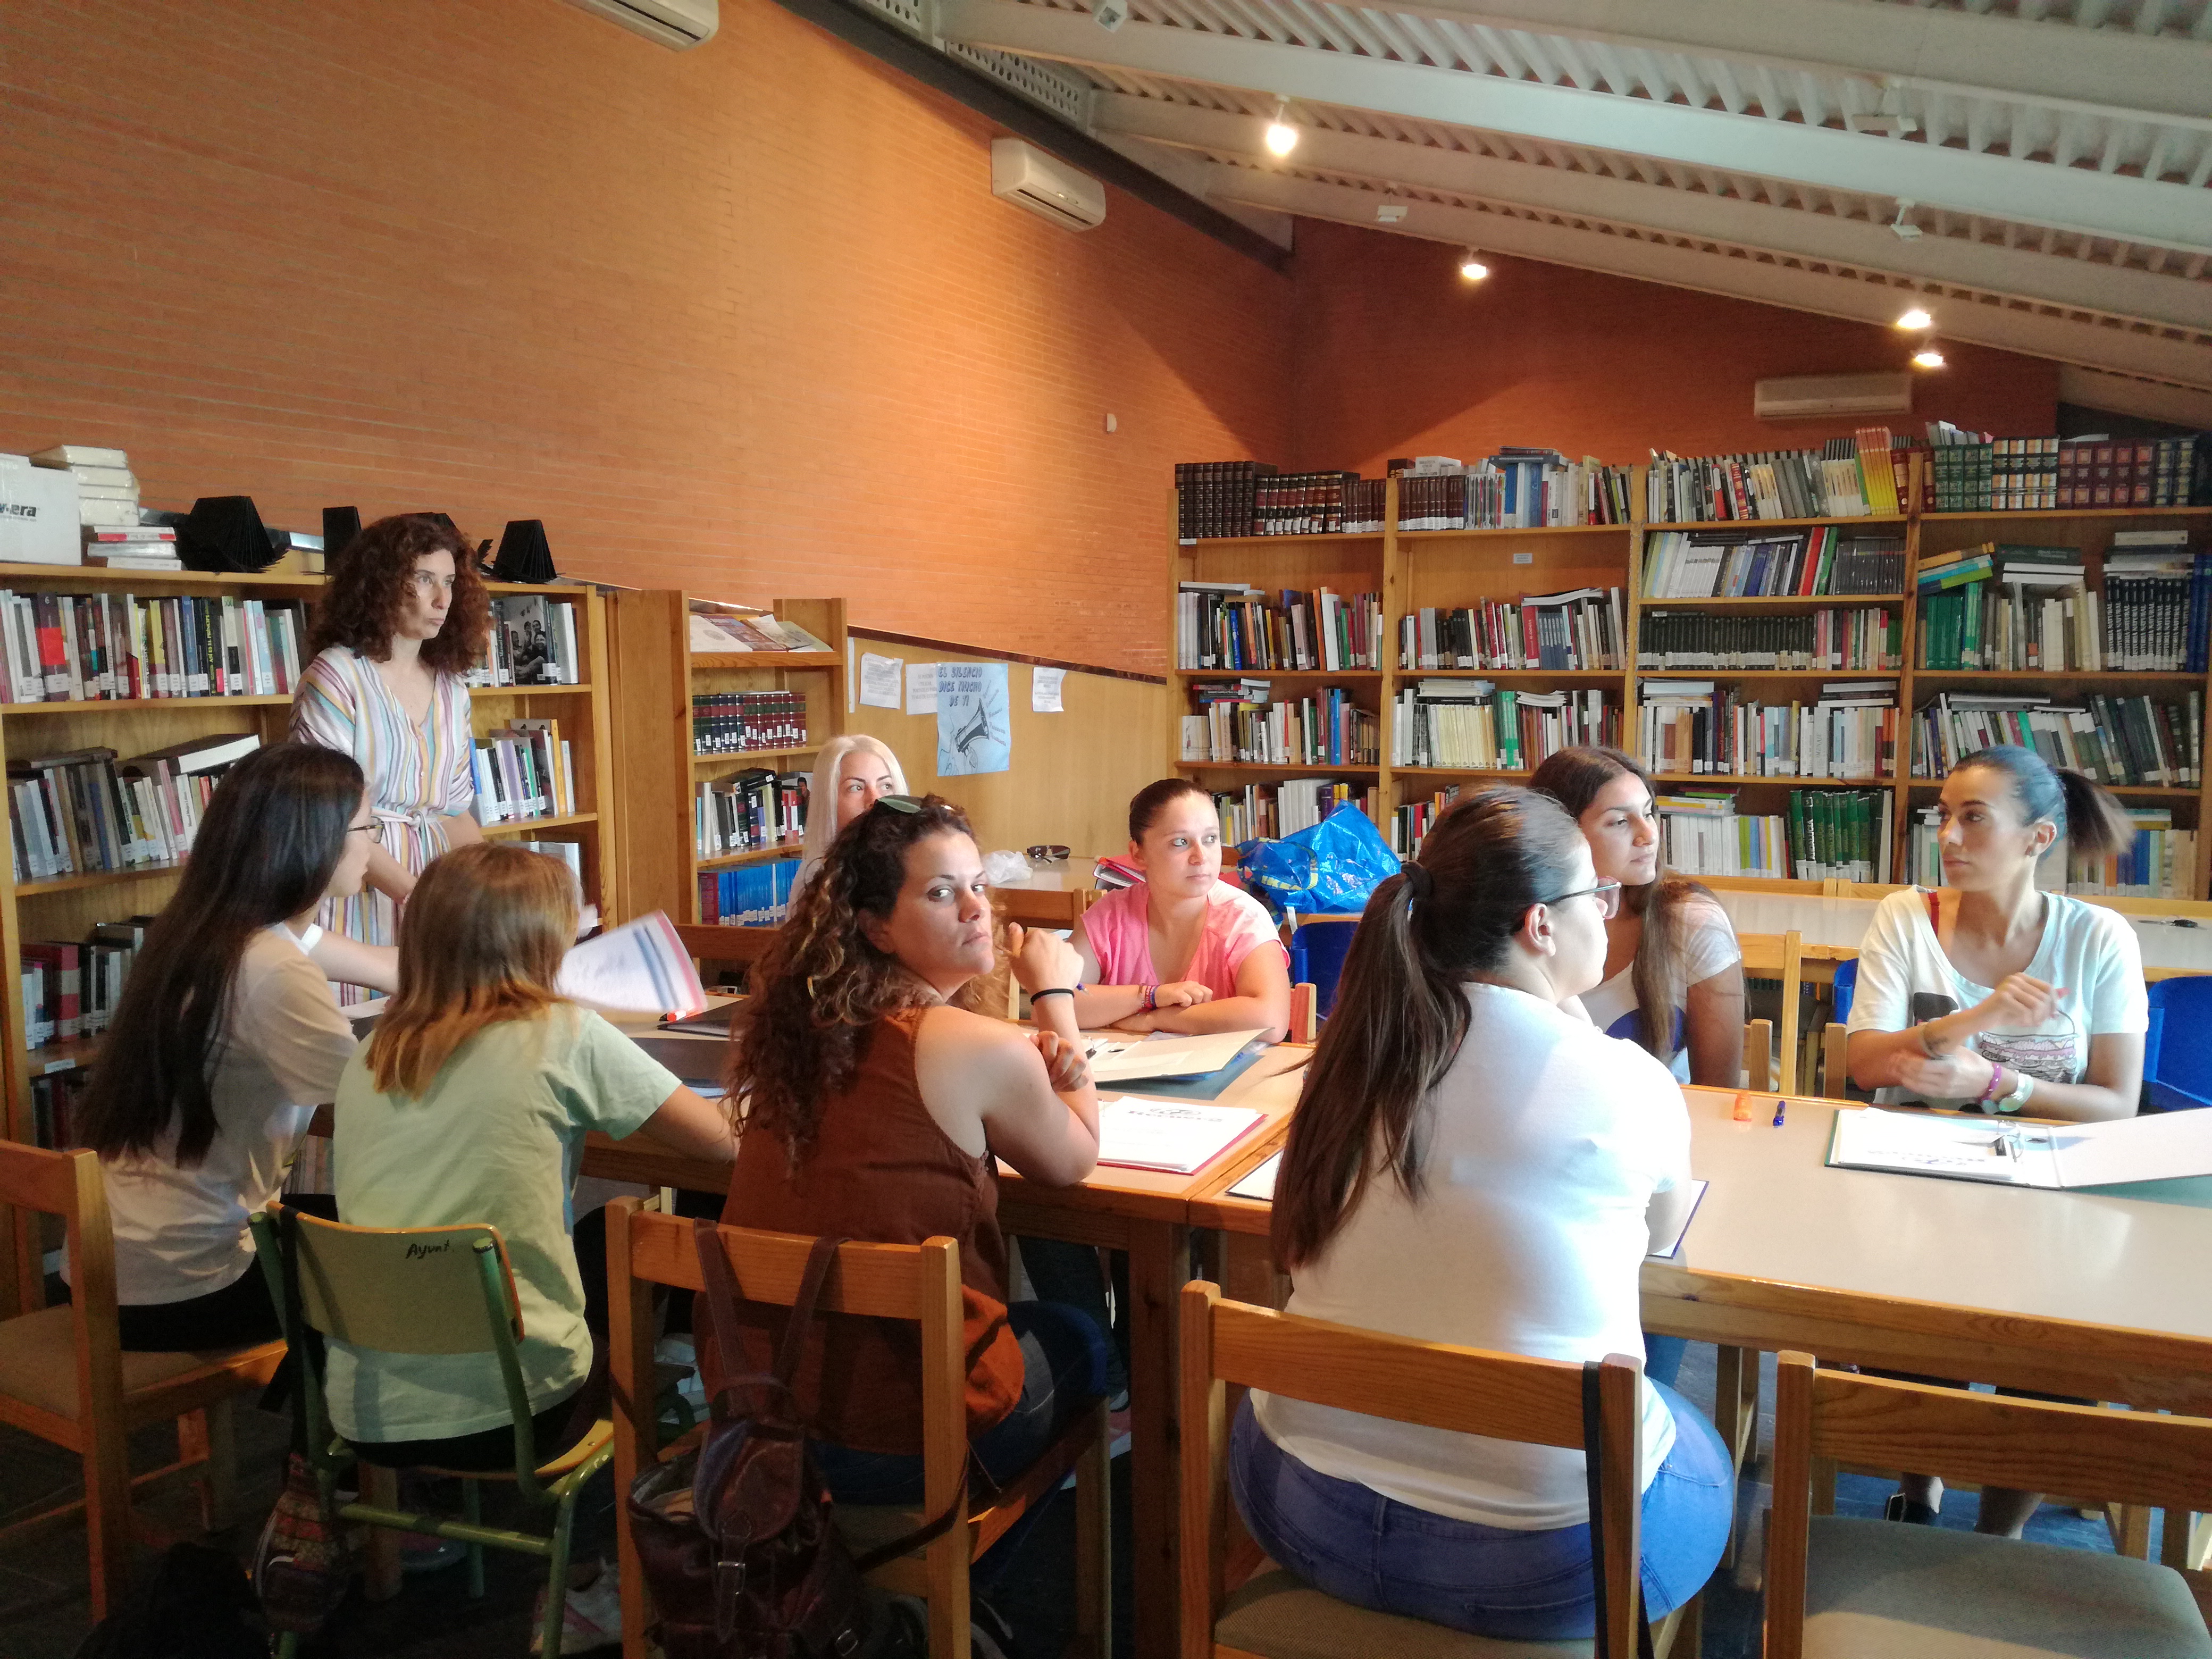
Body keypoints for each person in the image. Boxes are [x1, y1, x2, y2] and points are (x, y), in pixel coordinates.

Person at [1236, 787, 1731, 1643]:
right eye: (1596, 895)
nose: (1608, 911)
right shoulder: (1629, 1083)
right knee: (1700, 1450)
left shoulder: (1355, 1058)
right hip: (1537, 1565)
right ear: (1541, 925)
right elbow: (1659, 1241)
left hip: (1300, 1511)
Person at [709, 794, 1109, 1520]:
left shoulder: (797, 1038)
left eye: (978, 885)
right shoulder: (975, 1047)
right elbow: (1075, 1160)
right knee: (1084, 1337)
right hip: (901, 1434)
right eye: (940, 893)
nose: (976, 909)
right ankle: (958, 1568)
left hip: (758, 1410)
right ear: (876, 928)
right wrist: (1055, 994)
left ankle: (892, 1568)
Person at [328, 843, 735, 1472]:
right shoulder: (562, 1034)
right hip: (519, 1410)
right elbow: (723, 1143)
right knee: (637, 1241)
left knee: (591, 1236)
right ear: (542, 945)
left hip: (365, 1409)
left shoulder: (372, 1052)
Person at [1845, 743, 2145, 1536]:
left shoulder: (2098, 937)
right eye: (1944, 815)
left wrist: (1997, 1085)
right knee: (1903, 1320)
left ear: (2037, 838)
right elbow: (1865, 1063)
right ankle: (1920, 1488)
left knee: (2062, 1348)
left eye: (1974, 818)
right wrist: (1979, 1017)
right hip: (1917, 1180)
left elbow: (2116, 1106)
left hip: (2054, 1190)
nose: (1947, 836)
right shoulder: (1906, 916)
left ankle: (2001, 1531)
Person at [71, 743, 396, 1352]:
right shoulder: (271, 965)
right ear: (315, 841)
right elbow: (379, 1104)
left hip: (117, 1266)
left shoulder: (206, 927)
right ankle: (332, 1413)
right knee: (423, 1247)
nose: (375, 848)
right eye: (368, 828)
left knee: (370, 1227)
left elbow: (393, 968)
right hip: (190, 1285)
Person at [291, 513, 489, 960]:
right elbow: (333, 814)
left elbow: (453, 813)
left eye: (450, 582)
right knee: (371, 998)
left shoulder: (452, 687)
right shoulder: (337, 675)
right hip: (354, 882)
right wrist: (413, 895)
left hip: (431, 884)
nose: (442, 599)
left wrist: (497, 890)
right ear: (380, 584)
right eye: (424, 579)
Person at [1530, 747, 1746, 1087]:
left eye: (1648, 813)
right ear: (1561, 835)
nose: (1649, 836)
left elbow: (1719, 1093)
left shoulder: (1693, 921)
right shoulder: (1527, 925)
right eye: (1620, 821)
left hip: (1670, 1117)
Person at [1070, 778, 1291, 1044]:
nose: (1201, 856)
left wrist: (1155, 1020)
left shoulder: (1243, 918)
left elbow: (1270, 1020)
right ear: (1138, 854)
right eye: (1180, 842)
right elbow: (1057, 999)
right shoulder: (1111, 915)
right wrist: (1150, 996)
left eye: (1211, 839)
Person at [790, 734, 908, 900]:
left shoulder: (915, 863)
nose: (875, 800)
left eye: (886, 785)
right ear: (829, 800)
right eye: (856, 788)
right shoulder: (814, 878)